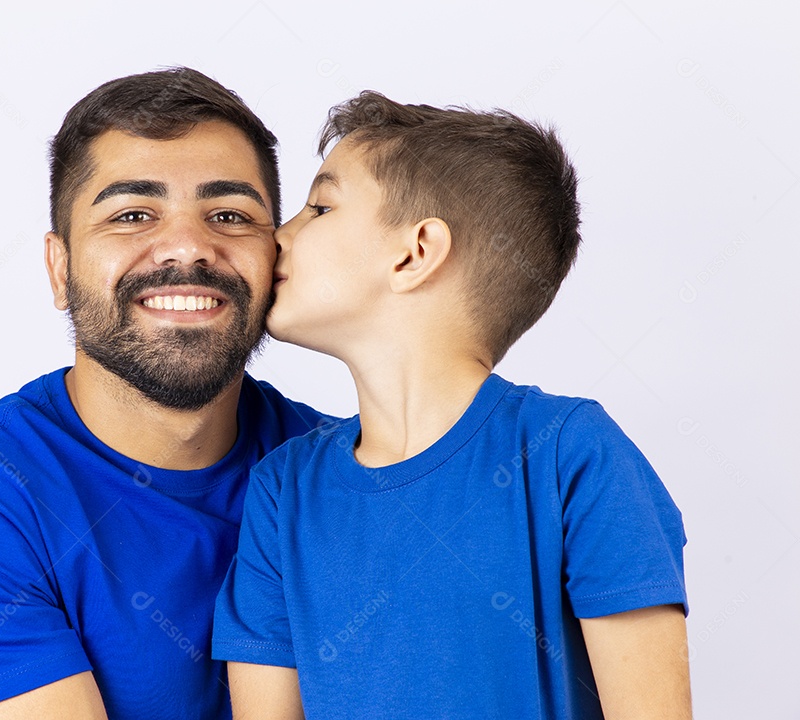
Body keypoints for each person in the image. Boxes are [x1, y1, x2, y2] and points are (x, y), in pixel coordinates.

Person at [0, 67, 327, 720]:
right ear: (60, 267)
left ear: (277, 257)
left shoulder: (358, 471)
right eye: (134, 214)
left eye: (229, 214)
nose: (189, 246)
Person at [212, 92, 692, 719]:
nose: (279, 236)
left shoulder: (570, 453)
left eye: (320, 207)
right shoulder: (283, 491)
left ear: (414, 253)